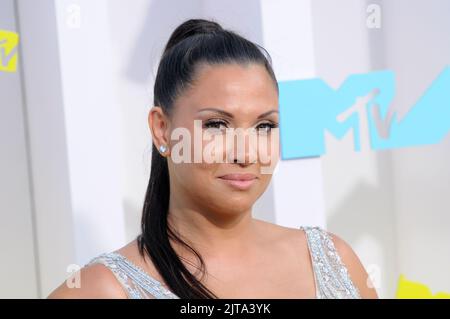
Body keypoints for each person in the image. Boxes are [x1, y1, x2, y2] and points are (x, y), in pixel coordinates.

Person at [48, 18, 378, 299]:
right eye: (217, 124)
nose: (246, 153)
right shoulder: (102, 289)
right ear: (162, 130)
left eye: (265, 126)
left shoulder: (333, 259)